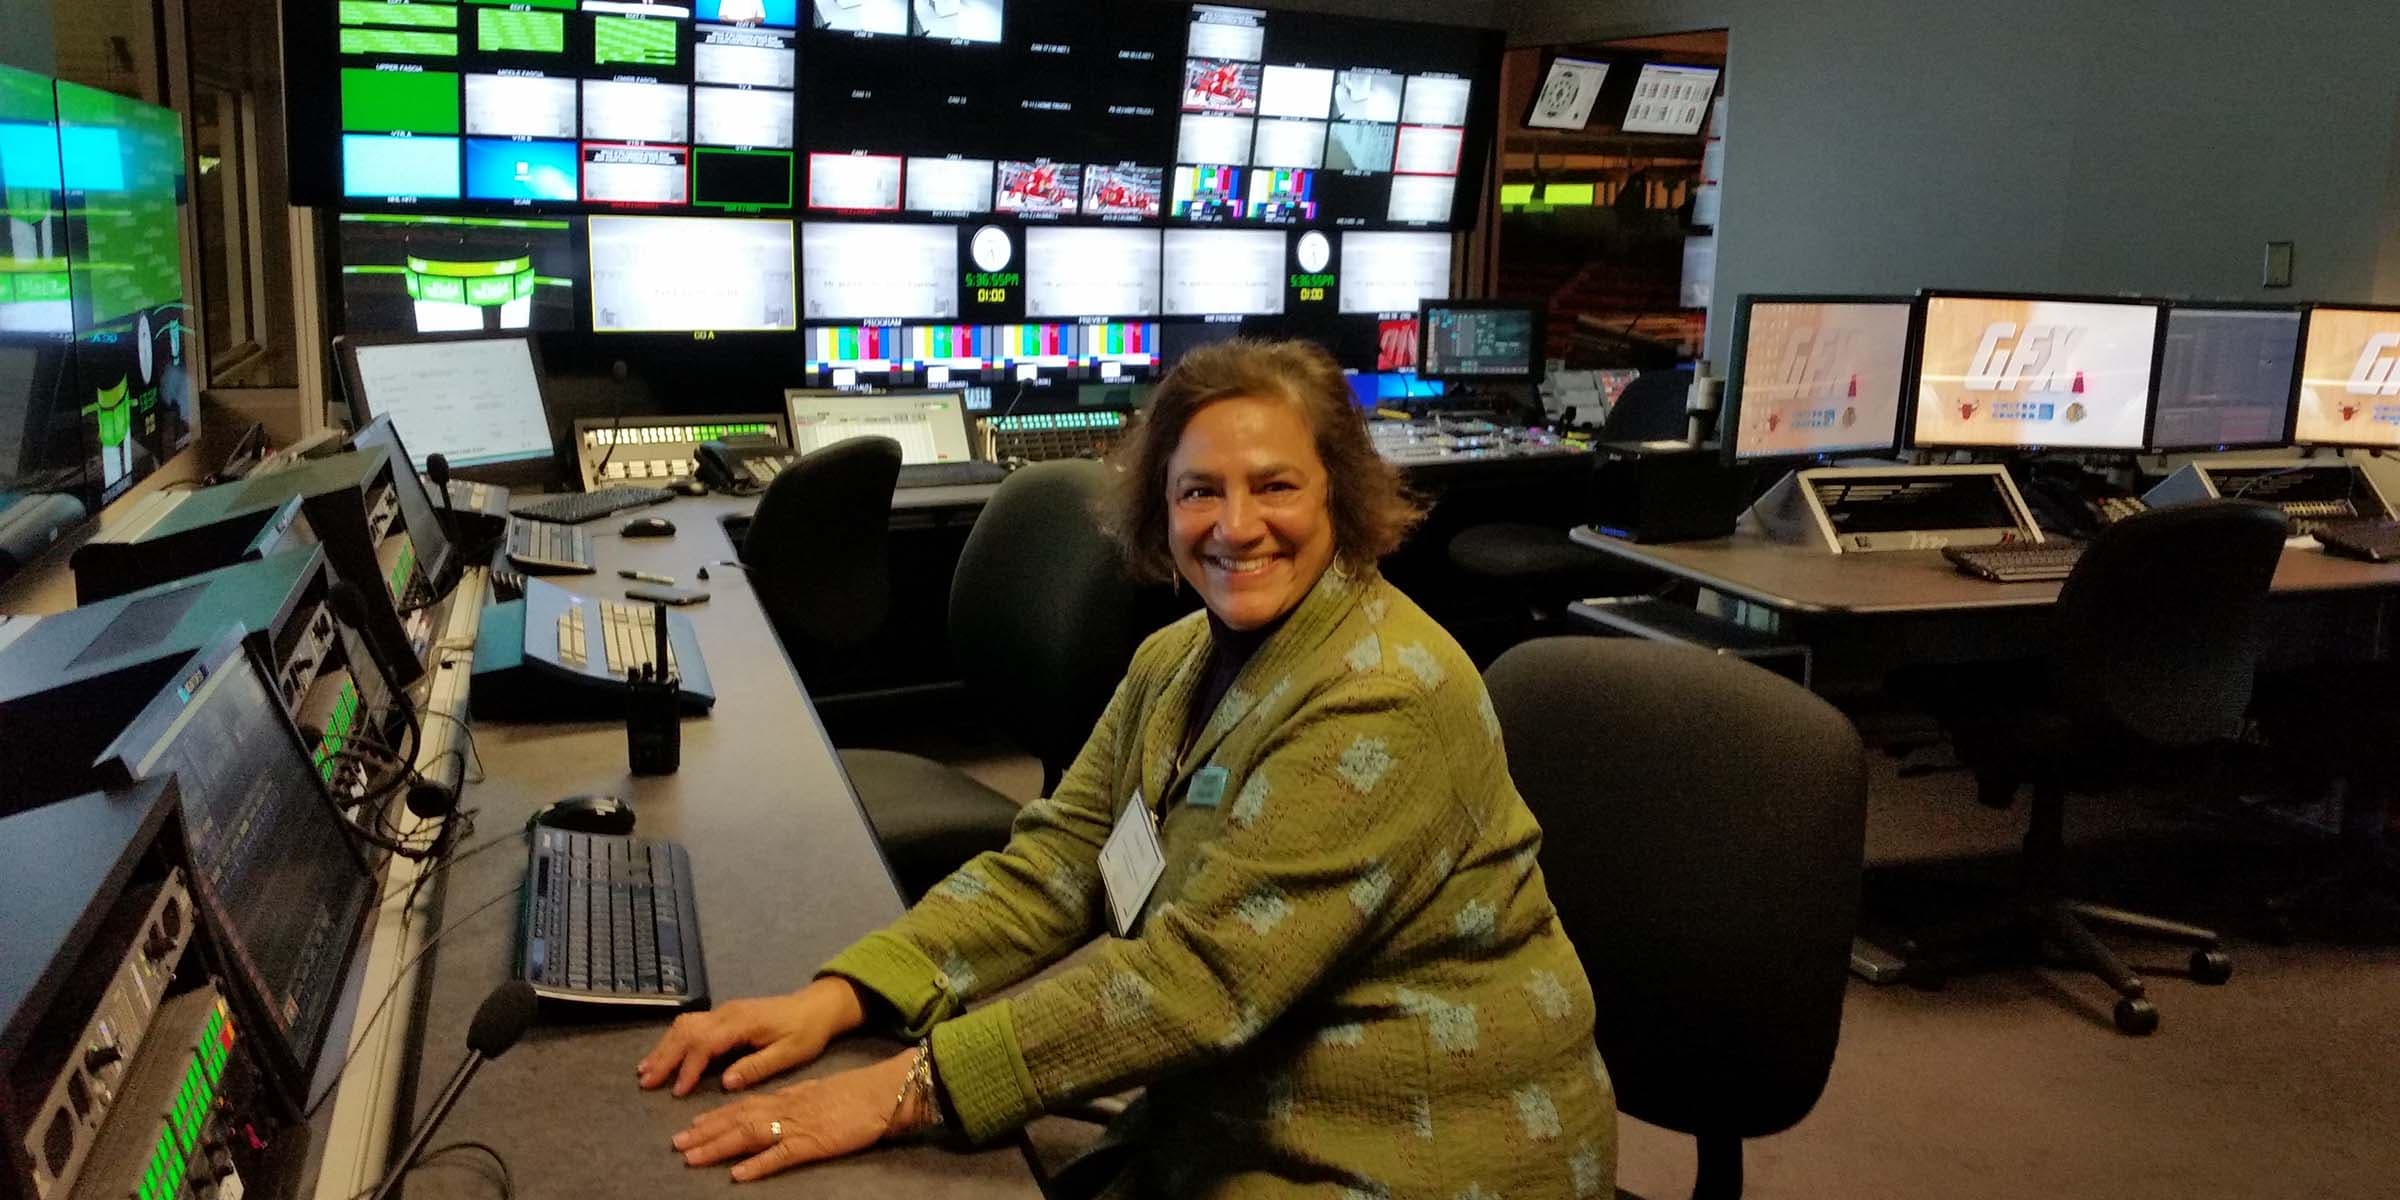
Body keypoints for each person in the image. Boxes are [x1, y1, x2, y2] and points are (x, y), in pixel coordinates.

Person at [638, 340, 1616, 1195]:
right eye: (1200, 491)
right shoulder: (1176, 661)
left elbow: (1200, 983)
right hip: (1235, 1109)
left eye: (1275, 485)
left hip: (1416, 1146)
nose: (1235, 525)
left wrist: (908, 1086)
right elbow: (1062, 857)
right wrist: (842, 996)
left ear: (1342, 496)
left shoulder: (1388, 693)